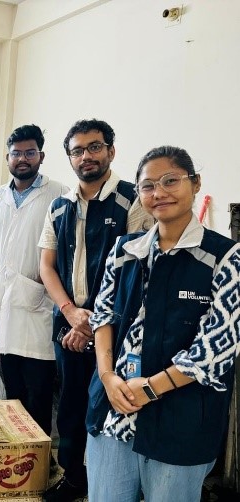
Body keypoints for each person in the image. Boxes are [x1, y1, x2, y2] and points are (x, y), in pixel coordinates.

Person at [86, 146, 240, 501]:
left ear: (195, 183)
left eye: (171, 180)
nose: (159, 193)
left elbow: (215, 350)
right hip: (114, 408)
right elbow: (104, 315)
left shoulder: (225, 257)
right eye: (148, 186)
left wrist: (152, 388)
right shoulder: (124, 249)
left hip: (180, 418)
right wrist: (108, 377)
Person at [39, 119, 153, 501]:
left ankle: (115, 485)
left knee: (112, 403)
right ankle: (74, 479)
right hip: (68, 323)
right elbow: (46, 266)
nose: (86, 156)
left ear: (110, 151)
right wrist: (70, 312)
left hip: (118, 327)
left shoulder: (133, 199)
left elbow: (136, 271)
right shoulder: (59, 207)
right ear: (69, 157)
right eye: (77, 150)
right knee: (70, 401)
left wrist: (92, 322)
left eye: (94, 147)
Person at [0, 124, 67, 438]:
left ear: (41, 155)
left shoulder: (58, 194)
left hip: (39, 304)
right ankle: (15, 449)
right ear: (7, 157)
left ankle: (38, 456)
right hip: (3, 302)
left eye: (30, 152)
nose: (23, 159)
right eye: (17, 153)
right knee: (10, 383)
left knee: (39, 389)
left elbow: (65, 249)